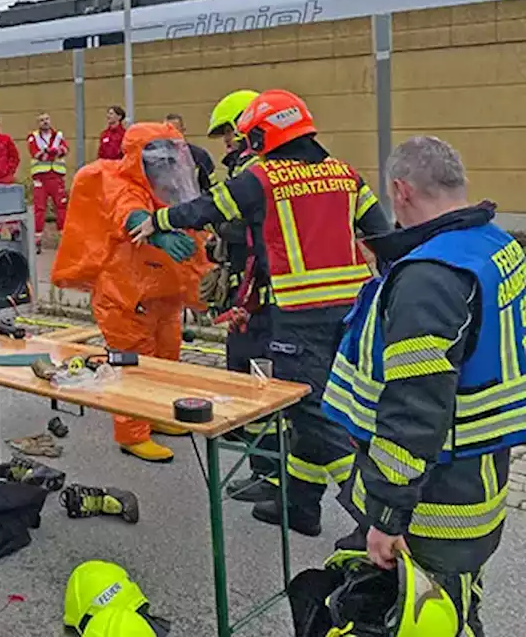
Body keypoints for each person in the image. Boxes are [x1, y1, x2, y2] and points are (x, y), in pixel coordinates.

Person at [130, 89, 392, 536]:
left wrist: (158, 221)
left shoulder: (263, 178)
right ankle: (301, 506)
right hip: (350, 314)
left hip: (296, 314)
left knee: (315, 415)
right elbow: (381, 234)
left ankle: (378, 522)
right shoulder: (346, 175)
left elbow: (207, 209)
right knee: (316, 412)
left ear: (262, 134)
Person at [323, 136, 526, 635]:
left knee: (430, 617)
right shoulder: (495, 245)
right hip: (478, 473)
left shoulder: (429, 276)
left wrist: (387, 516)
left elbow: (415, 410)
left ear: (400, 190)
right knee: (457, 602)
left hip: (435, 500)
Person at [83, 122, 211, 463]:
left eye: (173, 158)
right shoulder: (123, 186)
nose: (168, 165)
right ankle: (132, 433)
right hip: (128, 296)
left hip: (162, 292)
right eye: (161, 158)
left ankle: (156, 415)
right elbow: (128, 214)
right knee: (133, 366)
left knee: (166, 358)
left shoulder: (168, 189)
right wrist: (156, 234)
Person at [203, 90, 284, 504]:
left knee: (257, 379)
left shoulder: (256, 173)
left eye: (228, 134)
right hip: (253, 291)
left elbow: (254, 229)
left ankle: (268, 474)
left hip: (258, 297)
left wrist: (219, 230)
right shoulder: (259, 169)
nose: (226, 144)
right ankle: (266, 468)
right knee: (248, 372)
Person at [26, 112, 70, 254]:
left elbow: (64, 150)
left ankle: (64, 240)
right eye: (42, 120)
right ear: (38, 123)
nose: (45, 122)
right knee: (39, 210)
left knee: (61, 207)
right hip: (41, 179)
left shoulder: (58, 136)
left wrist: (49, 152)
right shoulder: (33, 137)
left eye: (47, 119)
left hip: (56, 178)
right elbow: (36, 154)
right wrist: (53, 152)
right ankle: (37, 241)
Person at [164, 113, 215, 192]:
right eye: (167, 132)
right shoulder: (159, 159)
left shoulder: (199, 156)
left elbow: (211, 186)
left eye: (175, 131)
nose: (171, 136)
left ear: (183, 131)